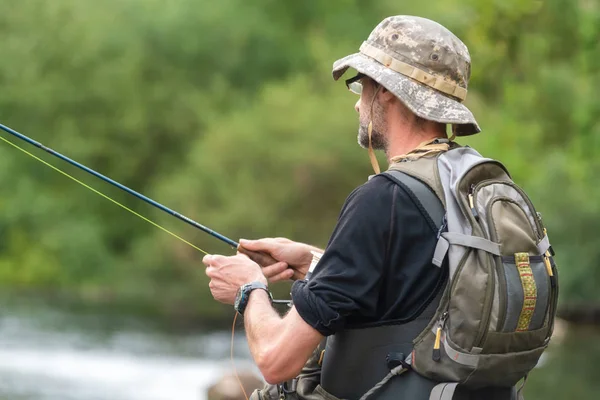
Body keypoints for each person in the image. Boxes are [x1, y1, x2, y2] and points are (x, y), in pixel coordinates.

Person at [203, 15, 518, 400]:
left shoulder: (382, 200)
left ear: (386, 90)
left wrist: (248, 288)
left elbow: (275, 359)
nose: (357, 104)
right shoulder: (474, 188)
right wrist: (318, 264)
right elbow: (425, 297)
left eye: (362, 84)